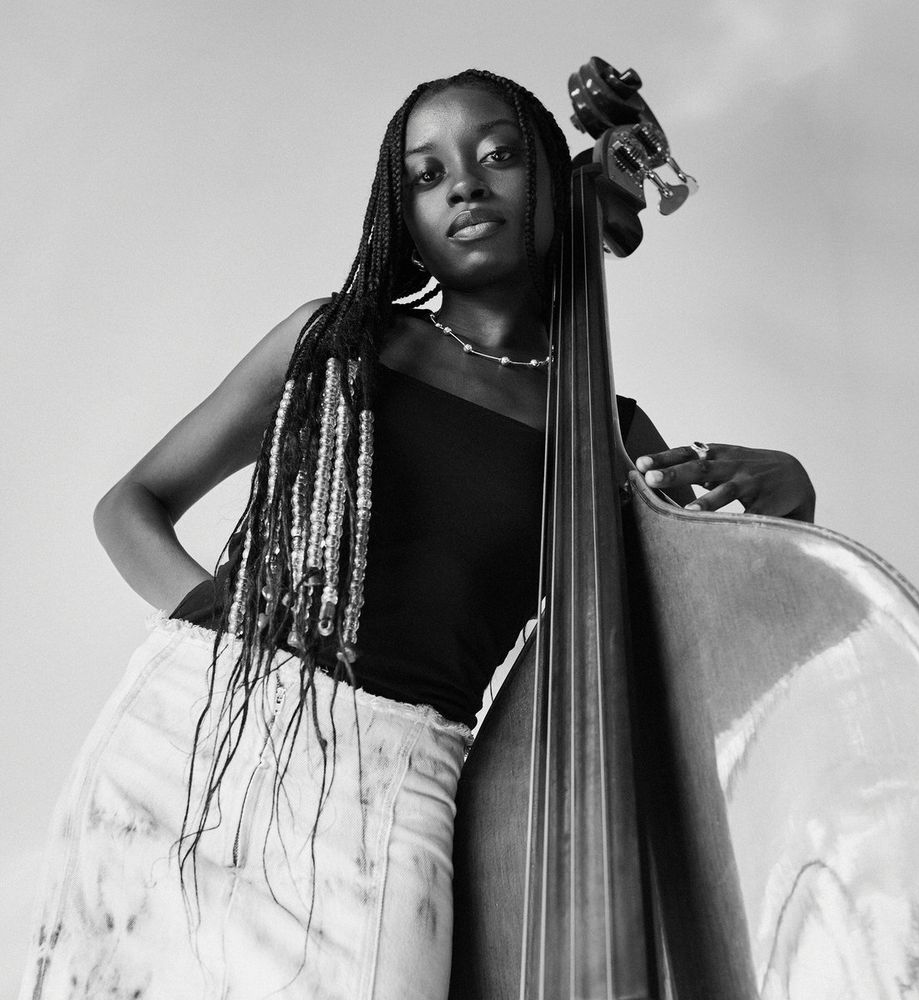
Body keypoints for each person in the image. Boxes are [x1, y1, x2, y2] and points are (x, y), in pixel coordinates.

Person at [19, 69, 815, 1000]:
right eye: (428, 174)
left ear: (560, 185)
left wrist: (789, 496)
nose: (465, 185)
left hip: (395, 784)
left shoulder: (608, 434)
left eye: (501, 156)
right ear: (404, 218)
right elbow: (131, 503)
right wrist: (217, 621)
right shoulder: (337, 340)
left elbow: (705, 649)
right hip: (189, 738)